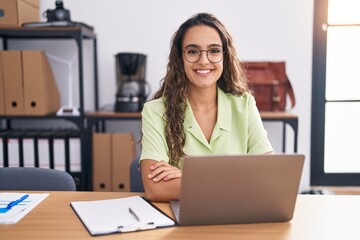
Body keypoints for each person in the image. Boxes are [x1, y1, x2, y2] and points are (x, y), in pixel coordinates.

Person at [140, 13, 273, 202]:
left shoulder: (244, 104)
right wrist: (238, 180)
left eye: (214, 51)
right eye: (193, 51)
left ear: (225, 57)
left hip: (237, 218)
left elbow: (268, 177)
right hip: (181, 222)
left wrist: (186, 178)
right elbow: (155, 188)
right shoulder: (155, 111)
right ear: (180, 57)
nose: (203, 61)